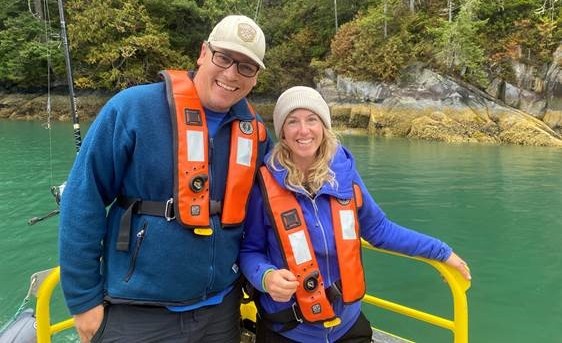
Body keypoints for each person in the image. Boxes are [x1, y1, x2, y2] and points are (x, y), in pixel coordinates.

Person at [59, 15, 272, 343]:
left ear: (255, 78)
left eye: (246, 67)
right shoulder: (132, 109)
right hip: (139, 312)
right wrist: (83, 300)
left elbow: (279, 197)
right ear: (203, 52)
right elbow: (82, 197)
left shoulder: (254, 131)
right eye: (224, 57)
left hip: (220, 312)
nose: (231, 74)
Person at [240, 86, 472, 343]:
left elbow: (379, 229)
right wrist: (266, 276)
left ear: (324, 126)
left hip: (346, 327)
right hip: (288, 330)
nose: (303, 130)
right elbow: (250, 250)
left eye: (312, 120)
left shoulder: (343, 174)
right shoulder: (265, 184)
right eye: (292, 121)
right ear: (282, 131)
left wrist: (440, 251)